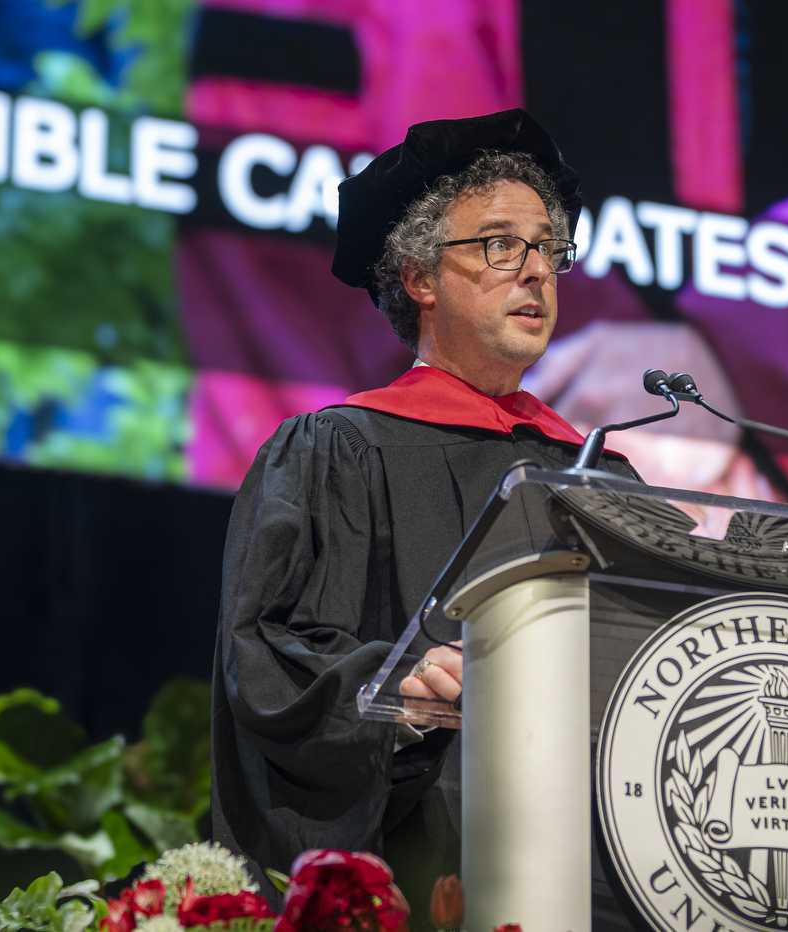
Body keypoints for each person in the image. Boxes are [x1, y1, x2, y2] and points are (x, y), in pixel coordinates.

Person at [209, 110, 638, 910]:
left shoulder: (602, 476)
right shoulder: (335, 452)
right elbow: (267, 653)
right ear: (420, 277)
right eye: (500, 245)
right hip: (419, 866)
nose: (536, 270)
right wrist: (397, 693)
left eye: (547, 247)